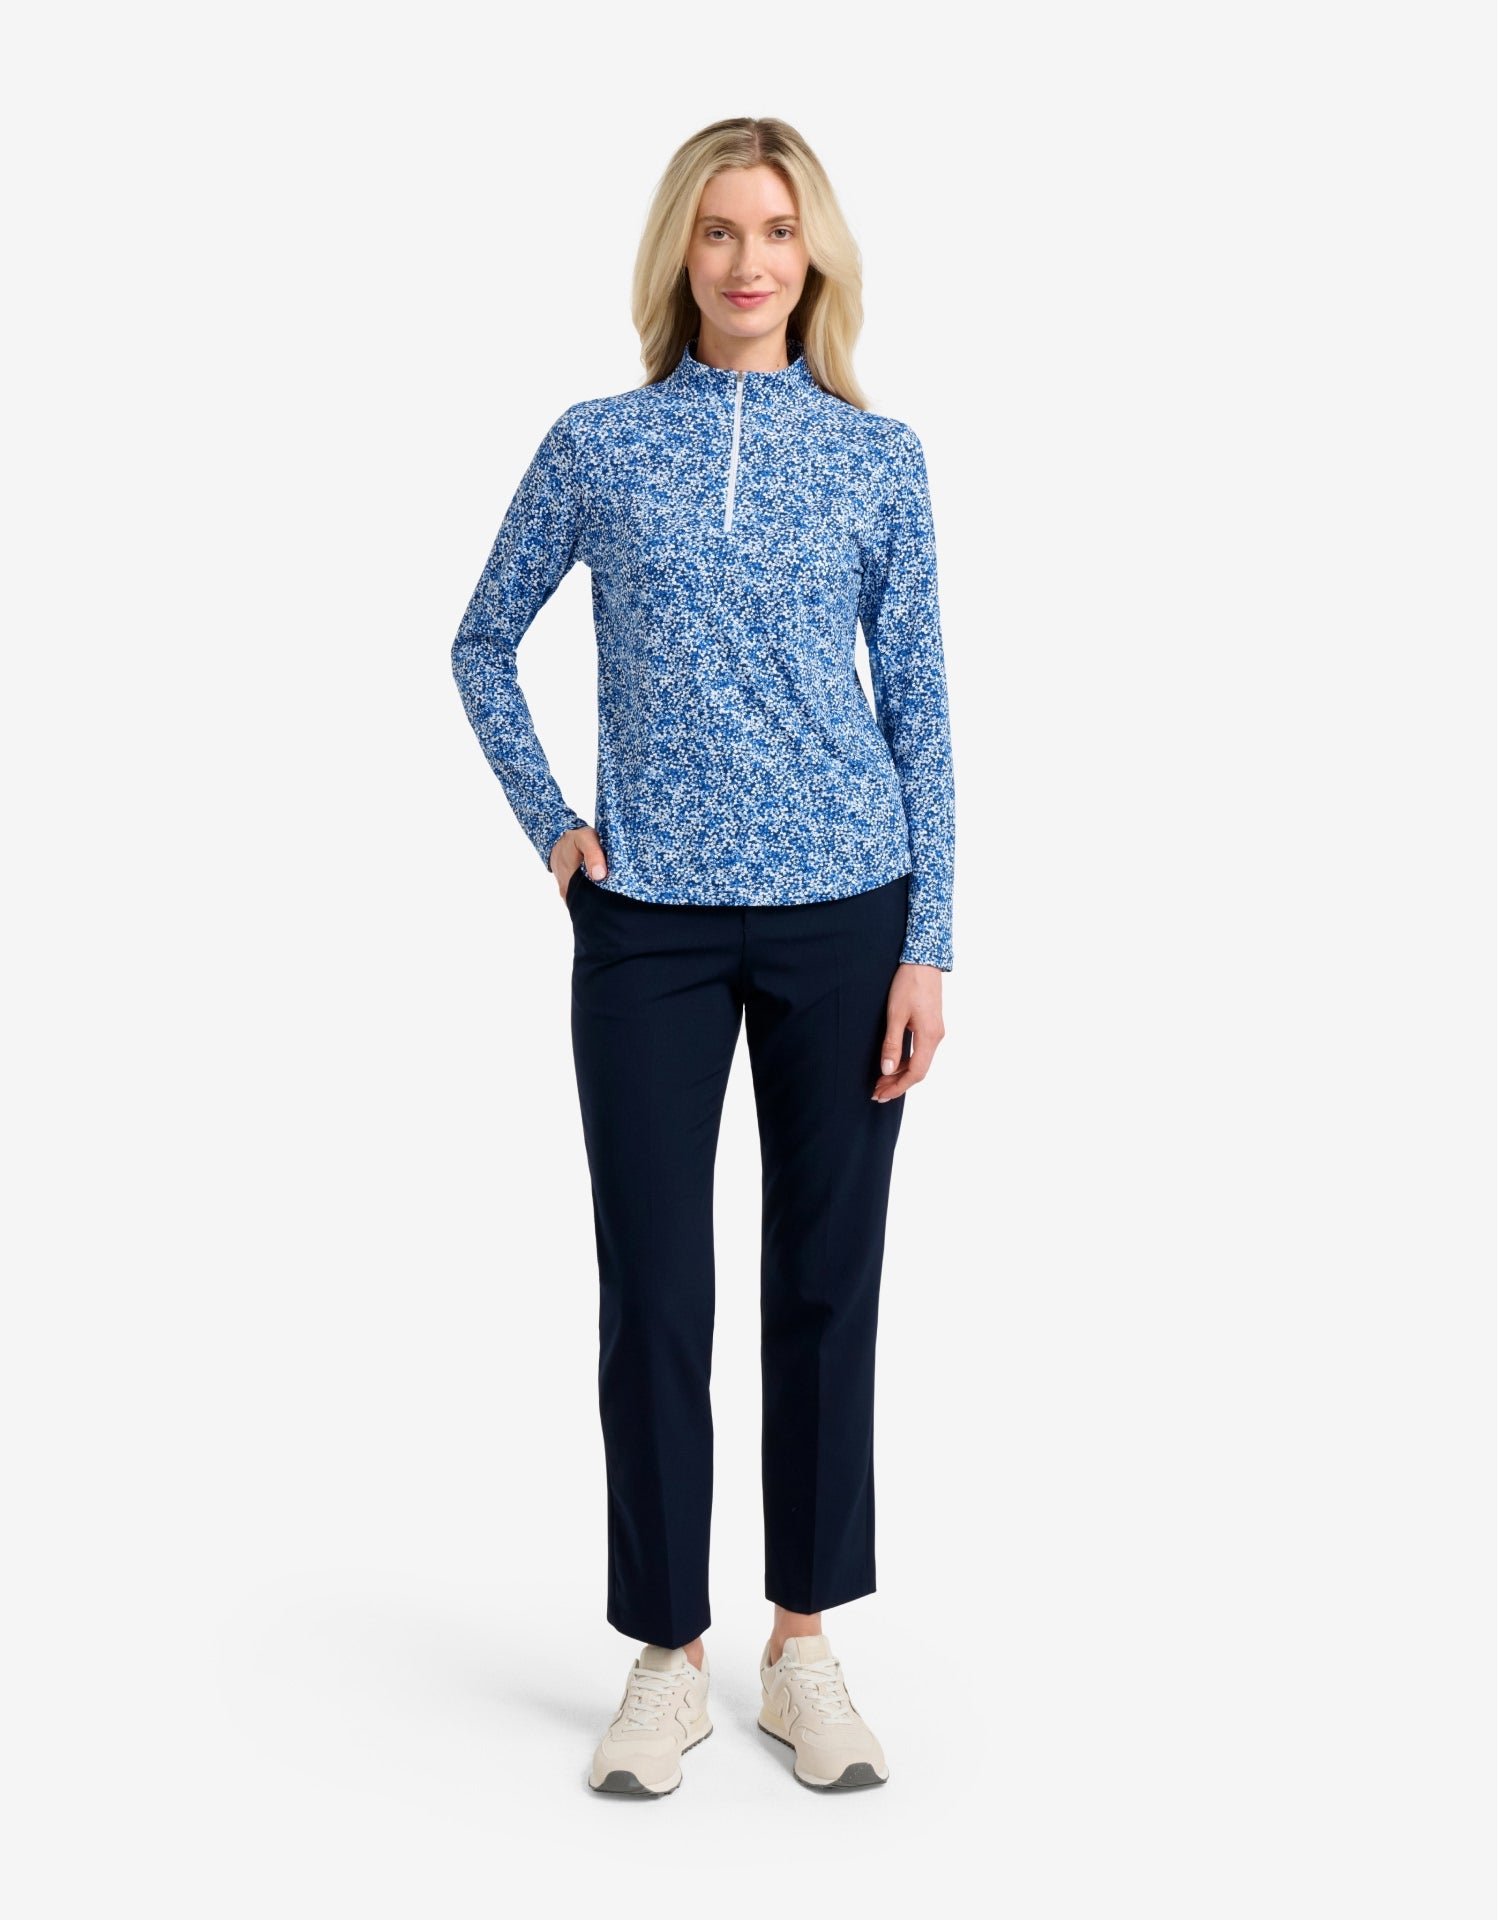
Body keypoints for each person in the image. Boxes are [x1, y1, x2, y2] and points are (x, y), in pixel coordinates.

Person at [450, 115, 956, 1796]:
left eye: (778, 231)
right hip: (647, 926)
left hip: (847, 912)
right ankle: (663, 1658)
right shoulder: (597, 443)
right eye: (721, 230)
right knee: (656, 1291)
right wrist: (554, 826)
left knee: (823, 1285)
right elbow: (479, 640)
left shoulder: (877, 460)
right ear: (681, 250)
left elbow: (921, 707)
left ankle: (801, 1649)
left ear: (816, 258)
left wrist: (929, 943)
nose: (750, 261)